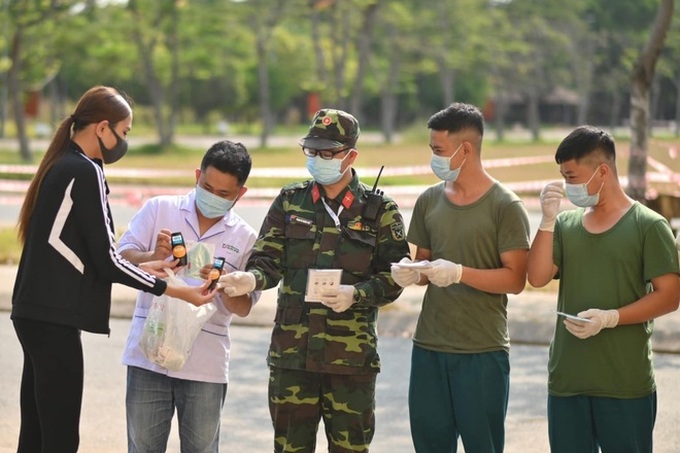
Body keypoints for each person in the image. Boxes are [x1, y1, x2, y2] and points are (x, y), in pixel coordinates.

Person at [11, 85, 216, 453]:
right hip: (53, 318)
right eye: (124, 132)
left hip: (34, 313)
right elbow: (106, 260)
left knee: (37, 430)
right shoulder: (85, 170)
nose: (124, 142)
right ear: (102, 128)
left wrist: (146, 263)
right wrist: (173, 289)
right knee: (59, 437)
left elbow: (80, 249)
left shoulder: (62, 164)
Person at [219, 108, 410, 453]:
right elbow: (268, 260)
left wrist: (358, 293)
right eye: (312, 151)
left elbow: (395, 277)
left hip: (350, 362)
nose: (318, 159)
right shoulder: (291, 200)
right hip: (293, 357)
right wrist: (250, 279)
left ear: (351, 155)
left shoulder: (379, 210)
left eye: (328, 153)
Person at [527, 125, 680, 453]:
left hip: (624, 384)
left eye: (572, 176)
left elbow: (669, 296)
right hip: (568, 381)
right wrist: (546, 221)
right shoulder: (565, 226)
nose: (568, 186)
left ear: (603, 171)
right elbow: (537, 277)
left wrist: (611, 318)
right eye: (563, 177)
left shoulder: (648, 226)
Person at [390, 102, 531, 452]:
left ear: (465, 149)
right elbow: (424, 265)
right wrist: (411, 274)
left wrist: (459, 273)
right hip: (429, 347)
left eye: (439, 151)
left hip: (481, 350)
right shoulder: (429, 201)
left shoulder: (506, 206)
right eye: (431, 150)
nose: (434, 158)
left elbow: (515, 280)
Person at [119, 140, 259, 452]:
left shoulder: (245, 237)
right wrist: (151, 256)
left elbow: (245, 307)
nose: (213, 197)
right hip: (149, 356)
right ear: (197, 175)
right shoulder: (160, 209)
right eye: (207, 187)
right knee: (142, 446)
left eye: (224, 194)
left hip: (205, 364)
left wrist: (226, 284)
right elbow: (120, 257)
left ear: (241, 193)